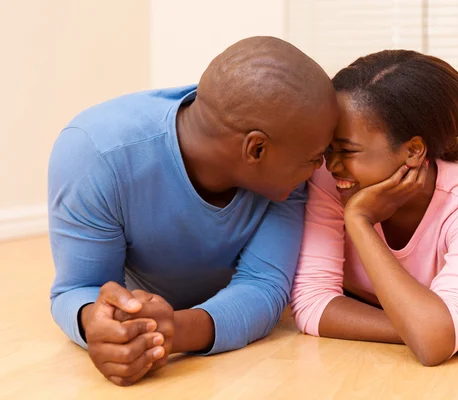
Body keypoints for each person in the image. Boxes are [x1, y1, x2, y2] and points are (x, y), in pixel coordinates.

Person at [48, 36, 338, 386]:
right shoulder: (96, 154)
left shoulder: (287, 170)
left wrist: (174, 332)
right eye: (314, 157)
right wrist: (100, 323)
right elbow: (78, 288)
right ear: (256, 149)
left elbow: (264, 287)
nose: (323, 166)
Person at [290, 50, 458, 366]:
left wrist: (358, 220)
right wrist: (434, 328)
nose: (331, 163)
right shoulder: (329, 180)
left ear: (413, 150)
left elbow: (432, 346)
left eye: (347, 150)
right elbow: (313, 304)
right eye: (329, 147)